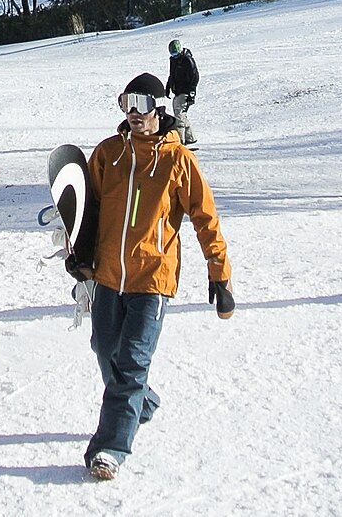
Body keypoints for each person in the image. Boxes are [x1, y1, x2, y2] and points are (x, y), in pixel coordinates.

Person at [66, 72, 232, 481]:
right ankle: (143, 403)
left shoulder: (179, 161)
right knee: (106, 351)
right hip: (108, 276)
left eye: (142, 104)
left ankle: (110, 448)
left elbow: (205, 219)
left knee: (132, 363)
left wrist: (220, 275)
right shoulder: (108, 154)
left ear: (159, 108)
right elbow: (88, 212)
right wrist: (79, 255)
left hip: (152, 279)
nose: (134, 112)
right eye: (127, 103)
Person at [165, 38, 200, 145]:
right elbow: (172, 74)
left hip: (185, 91)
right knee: (182, 114)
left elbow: (195, 76)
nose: (174, 55)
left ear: (180, 50)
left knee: (179, 114)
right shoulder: (173, 60)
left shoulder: (187, 60)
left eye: (176, 53)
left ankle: (180, 140)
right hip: (177, 90)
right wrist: (168, 86)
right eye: (172, 53)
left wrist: (191, 93)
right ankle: (190, 137)